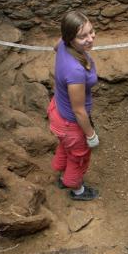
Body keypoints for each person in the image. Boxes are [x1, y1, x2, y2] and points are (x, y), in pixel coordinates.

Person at [47, 11, 99, 201]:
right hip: (70, 123)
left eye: (91, 32)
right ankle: (76, 189)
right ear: (71, 38)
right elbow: (78, 110)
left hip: (58, 112)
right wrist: (91, 135)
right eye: (82, 36)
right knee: (78, 157)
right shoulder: (76, 71)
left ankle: (61, 175)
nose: (90, 38)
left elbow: (55, 47)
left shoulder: (62, 44)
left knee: (64, 147)